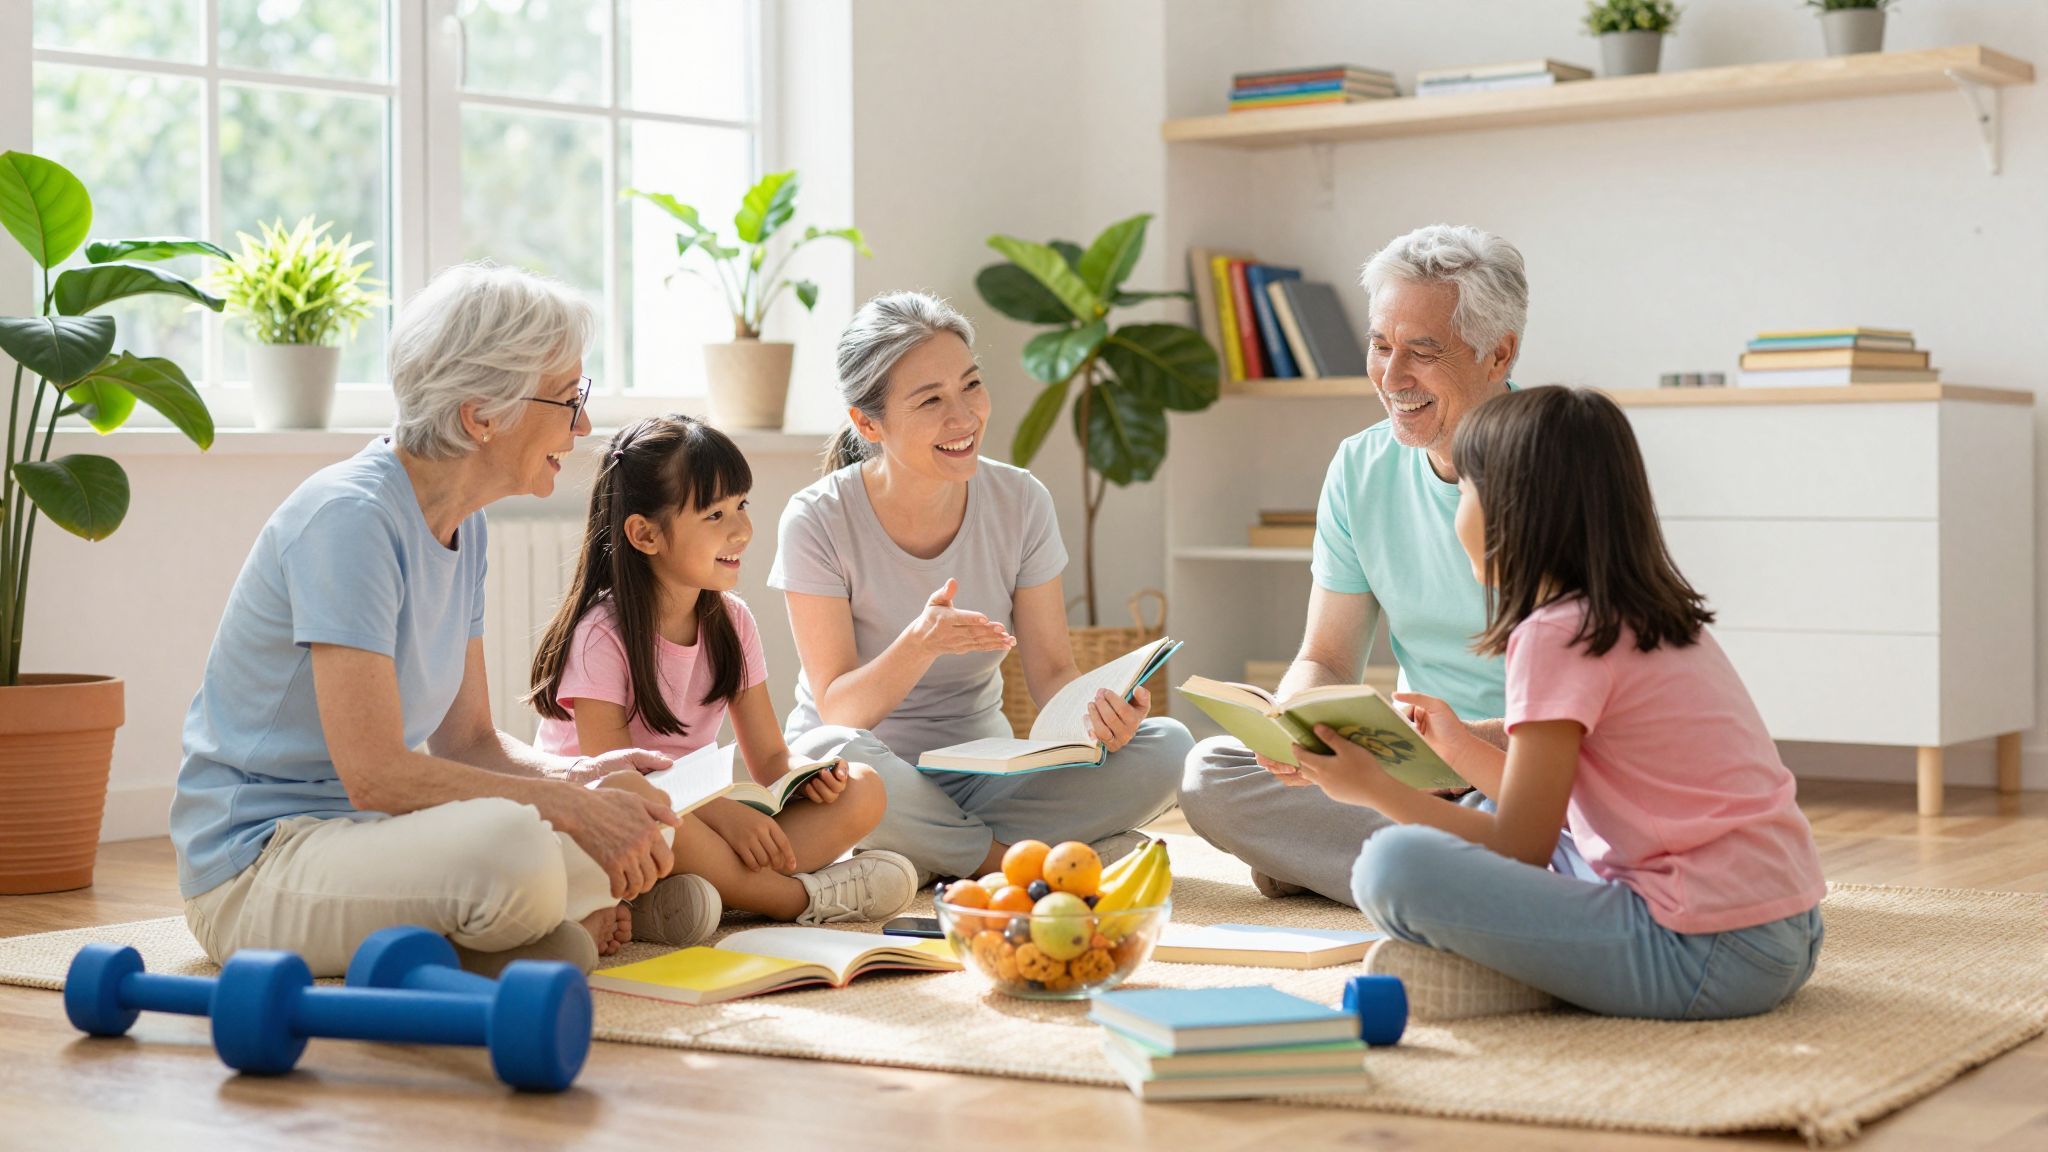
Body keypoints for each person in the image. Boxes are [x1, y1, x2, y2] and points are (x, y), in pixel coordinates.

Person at [170, 263, 679, 977]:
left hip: (372, 842)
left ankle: (517, 938)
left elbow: (469, 741)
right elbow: (376, 774)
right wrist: (568, 809)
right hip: (259, 865)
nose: (585, 425)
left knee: (616, 803)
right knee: (518, 849)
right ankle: (521, 932)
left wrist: (582, 777)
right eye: (569, 399)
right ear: (482, 415)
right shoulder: (350, 519)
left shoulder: (464, 527)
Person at [1292, 386, 1826, 1021]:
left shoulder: (1552, 635)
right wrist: (1460, 746)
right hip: (1786, 930)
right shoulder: (1650, 616)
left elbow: (1520, 844)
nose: (1455, 509)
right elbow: (1558, 815)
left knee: (1390, 865)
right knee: (1485, 805)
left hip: (1706, 952)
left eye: (1464, 491)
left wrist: (1375, 788)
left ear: (1513, 512)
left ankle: (1511, 983)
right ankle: (1537, 968)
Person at [770, 291, 1192, 882]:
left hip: (988, 775)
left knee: (1169, 743)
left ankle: (932, 851)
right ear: (868, 422)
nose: (965, 418)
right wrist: (919, 643)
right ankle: (1016, 864)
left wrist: (1101, 712)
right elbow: (839, 709)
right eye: (931, 400)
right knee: (826, 748)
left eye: (970, 385)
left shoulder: (1020, 500)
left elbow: (1052, 676)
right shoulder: (816, 519)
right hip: (867, 775)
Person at [1179, 223, 1531, 905]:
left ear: (1499, 353)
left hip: (1518, 771)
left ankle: (1342, 862)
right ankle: (1404, 869)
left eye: (1422, 352)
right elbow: (1328, 657)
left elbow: (1592, 725)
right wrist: (1296, 726)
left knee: (1550, 827)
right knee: (1210, 775)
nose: (1392, 377)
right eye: (1379, 345)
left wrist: (1450, 750)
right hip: (1407, 764)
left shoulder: (1560, 464)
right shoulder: (1359, 464)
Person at [529, 414, 917, 943]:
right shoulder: (602, 634)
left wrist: (810, 775)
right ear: (645, 535)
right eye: (715, 514)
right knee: (659, 815)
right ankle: (797, 899)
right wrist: (723, 813)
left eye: (741, 505)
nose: (741, 530)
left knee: (865, 789)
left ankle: (701, 896)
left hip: (700, 820)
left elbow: (770, 759)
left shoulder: (732, 622)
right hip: (619, 822)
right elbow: (612, 778)